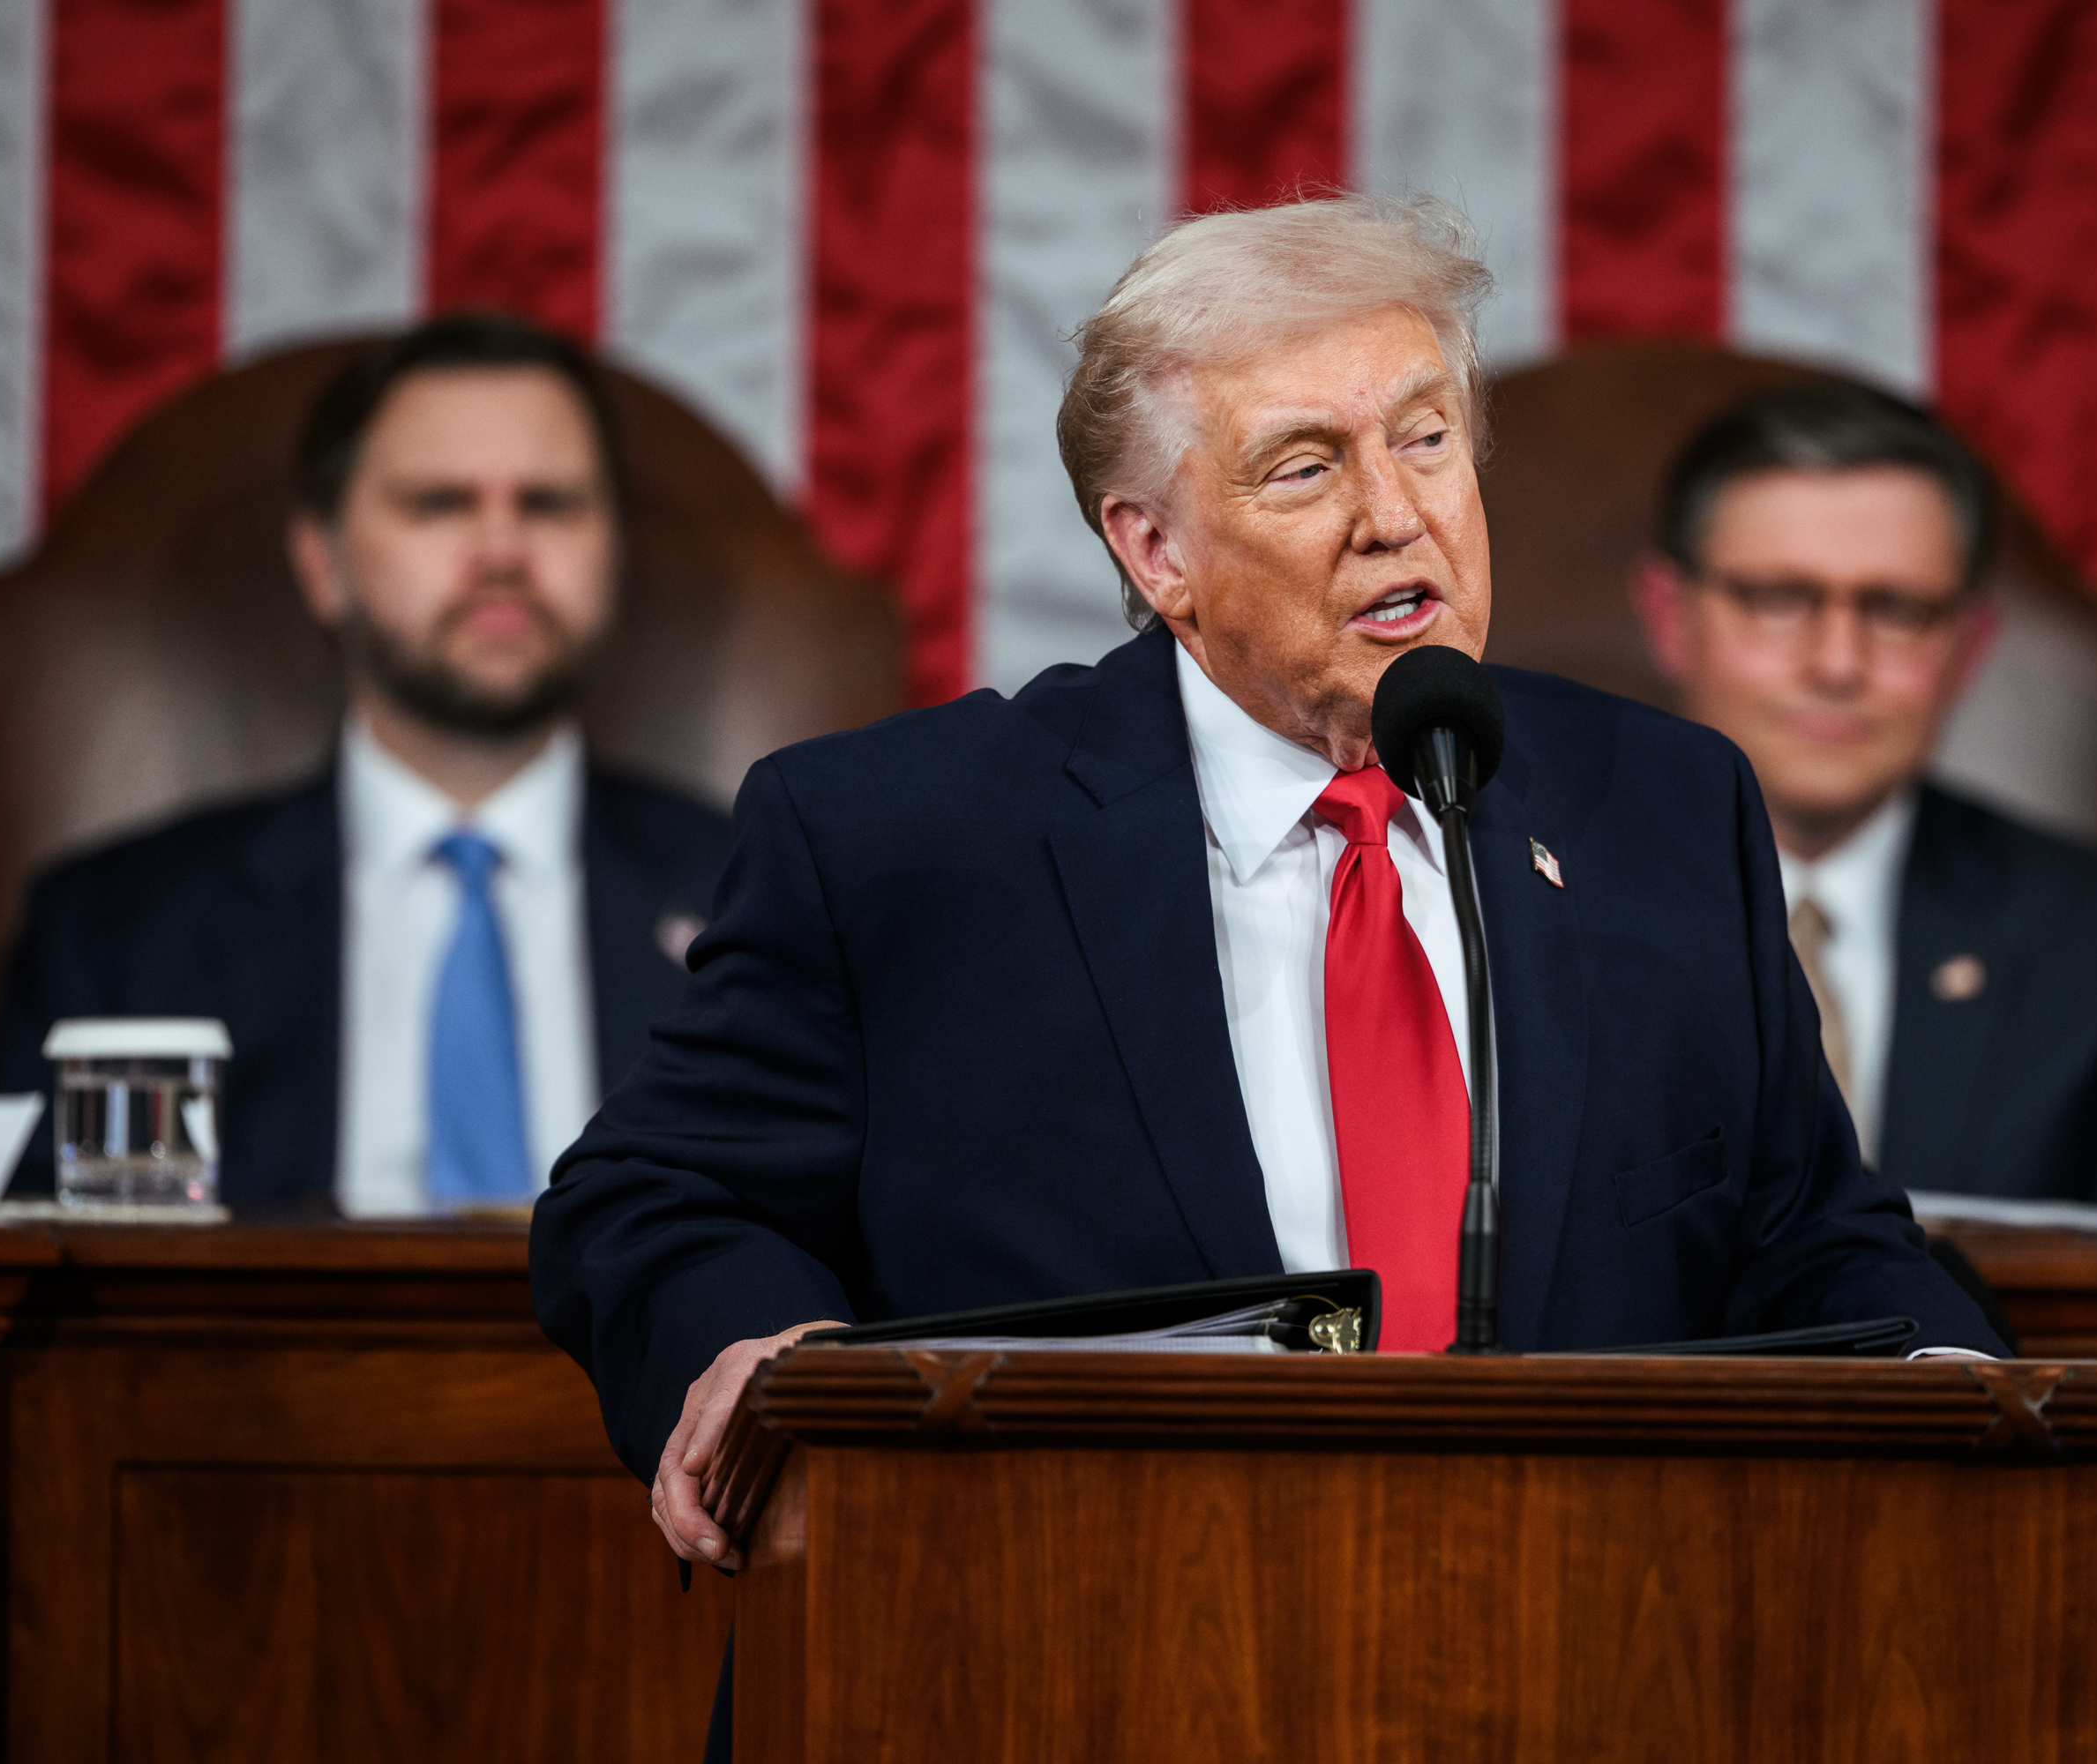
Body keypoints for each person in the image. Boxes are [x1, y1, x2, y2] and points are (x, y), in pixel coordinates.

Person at [528, 196, 2003, 1604]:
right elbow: (656, 1197)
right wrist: (764, 1350)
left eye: (1427, 439)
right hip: (1064, 1647)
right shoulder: (905, 836)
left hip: (1582, 1644)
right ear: (1156, 550)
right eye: (1305, 467)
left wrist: (1950, 1387)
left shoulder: (1662, 810)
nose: (1396, 514)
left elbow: (1810, 1232)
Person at [0, 312, 731, 1216]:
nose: (502, 551)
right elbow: (50, 1308)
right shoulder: (119, 933)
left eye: (549, 504)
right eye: (439, 503)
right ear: (322, 563)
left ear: (612, 550)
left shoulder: (762, 905)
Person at [1629, 381, 2097, 1207]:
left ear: (1968, 647)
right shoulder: (1522, 902)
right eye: (1779, 600)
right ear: (1668, 616)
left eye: (1895, 609)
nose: (1837, 663)